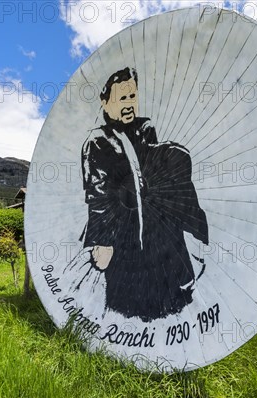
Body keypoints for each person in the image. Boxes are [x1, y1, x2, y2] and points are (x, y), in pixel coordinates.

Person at [79, 67, 209, 322]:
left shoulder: (145, 128)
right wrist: (102, 241)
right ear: (105, 103)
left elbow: (156, 173)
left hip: (157, 231)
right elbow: (98, 194)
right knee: (129, 303)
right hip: (123, 234)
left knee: (169, 298)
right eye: (121, 98)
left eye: (132, 97)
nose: (128, 104)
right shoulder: (97, 141)